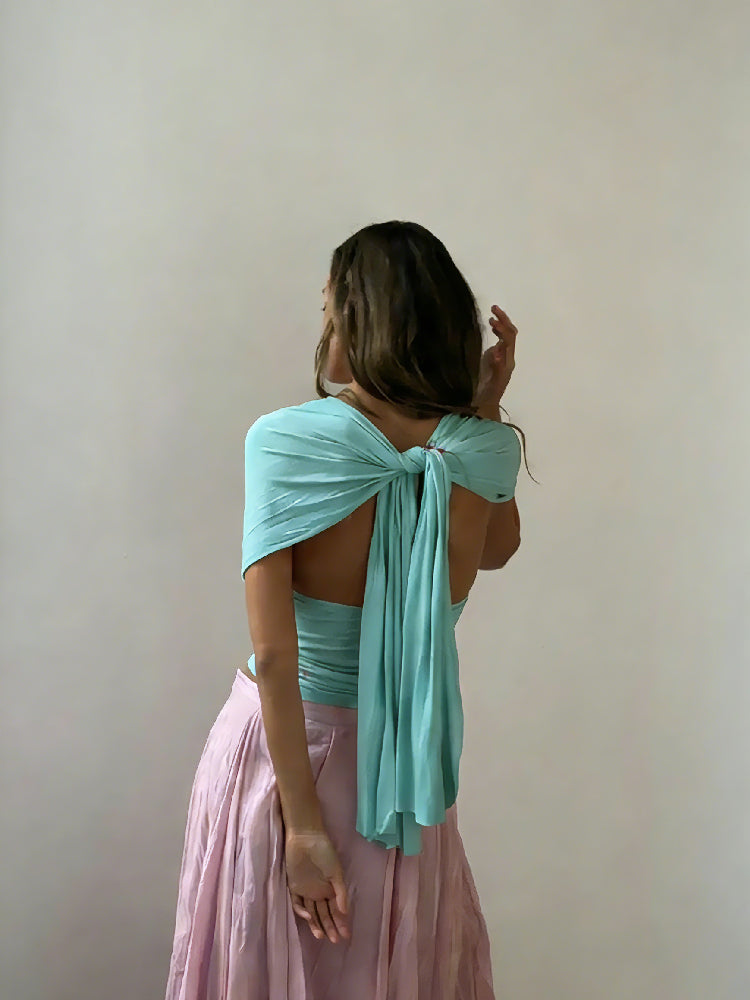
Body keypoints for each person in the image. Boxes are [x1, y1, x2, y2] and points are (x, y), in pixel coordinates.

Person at [164, 220, 532, 999]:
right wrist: (484, 414)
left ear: (361, 318)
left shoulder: (285, 441)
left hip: (283, 760)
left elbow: (274, 657)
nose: (324, 323)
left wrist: (302, 827)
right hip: (405, 767)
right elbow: (496, 550)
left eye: (330, 305)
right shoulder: (479, 450)